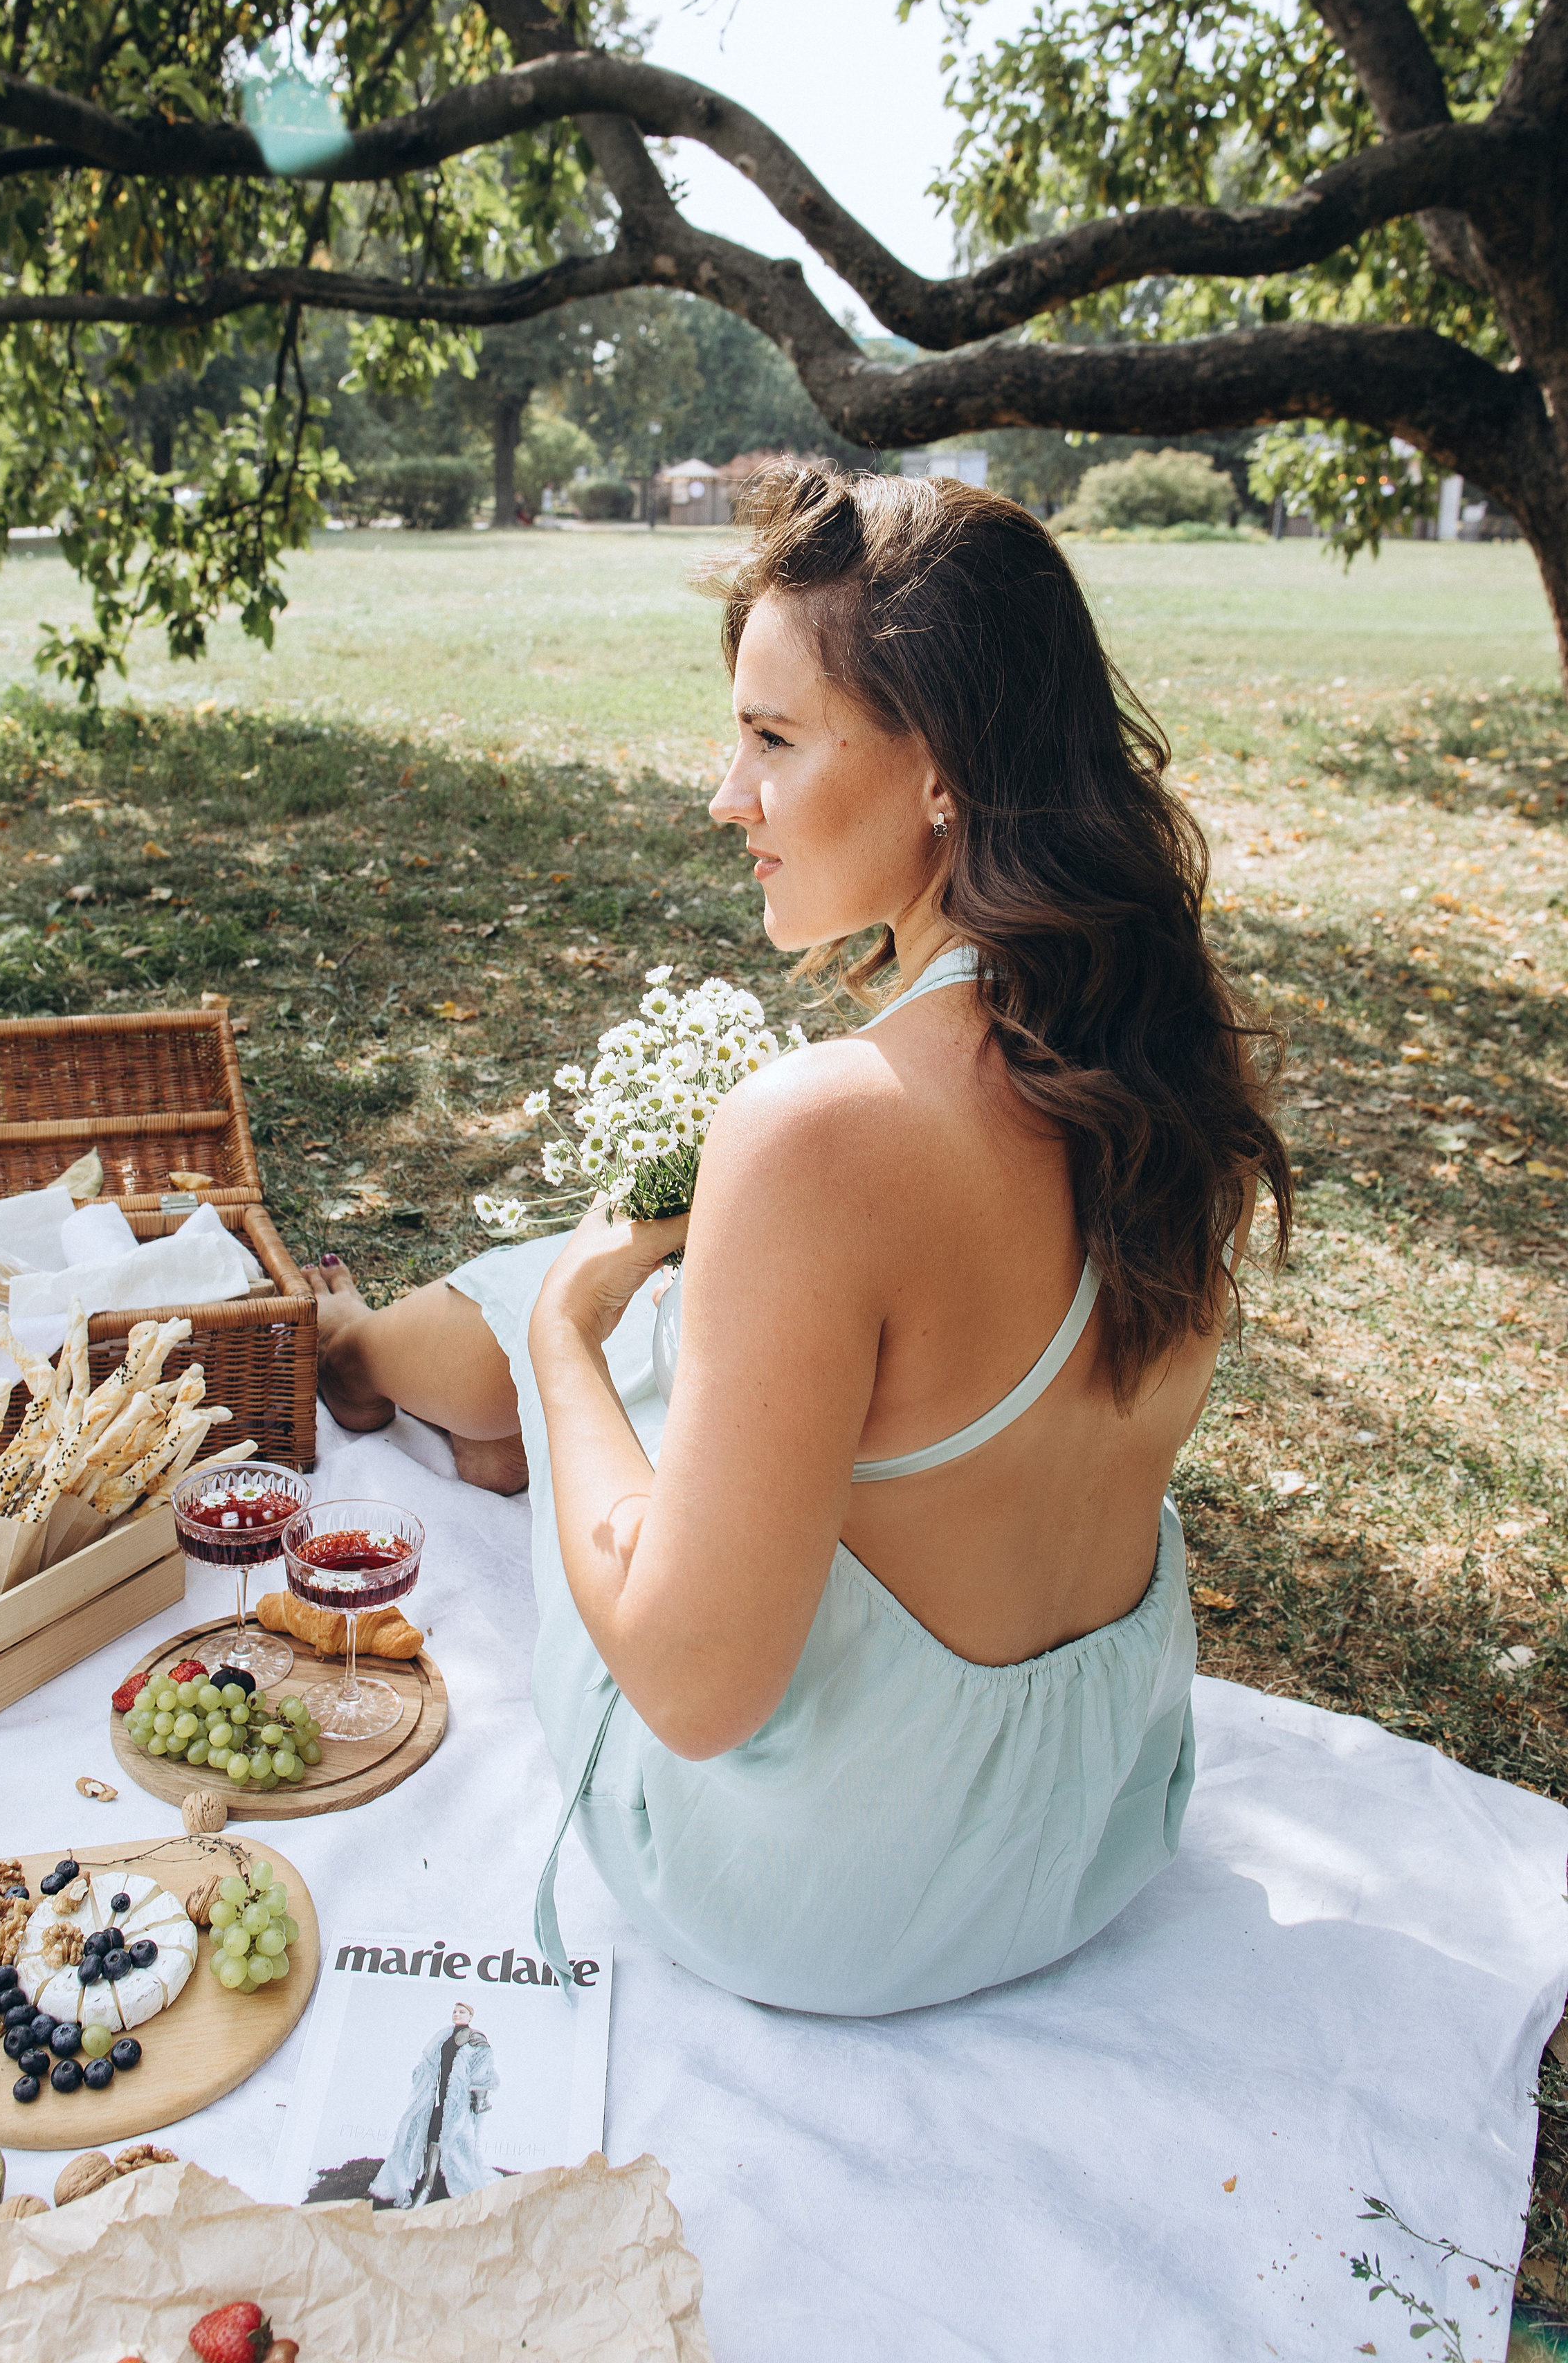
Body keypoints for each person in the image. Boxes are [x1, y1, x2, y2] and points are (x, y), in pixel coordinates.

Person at [305, 466, 1291, 2018]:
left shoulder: (819, 1130)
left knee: (582, 1305)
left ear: (943, 769)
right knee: (670, 1315)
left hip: (821, 1906)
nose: (726, 795)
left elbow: (695, 1695)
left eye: (772, 739)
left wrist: (563, 1340)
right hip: (1089, 1832)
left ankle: (358, 1353)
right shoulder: (1163, 1053)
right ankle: (424, 1382)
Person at [375, 2000, 499, 2207]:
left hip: (460, 2104)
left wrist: (479, 2100)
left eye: (462, 2012)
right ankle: (428, 2183)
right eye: (455, 2011)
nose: (457, 2014)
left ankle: (446, 2188)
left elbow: (483, 2072)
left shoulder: (476, 2038)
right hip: (438, 2099)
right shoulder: (443, 2037)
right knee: (430, 2132)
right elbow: (429, 2063)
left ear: (470, 2016)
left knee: (457, 2143)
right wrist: (421, 2077)